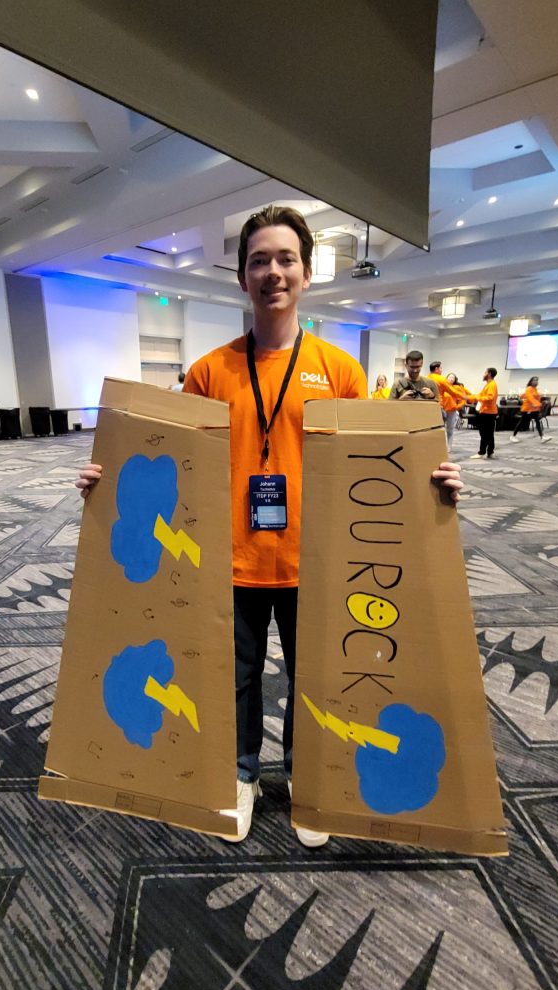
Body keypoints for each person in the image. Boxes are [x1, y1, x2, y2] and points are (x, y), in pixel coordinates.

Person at [75, 205, 463, 845]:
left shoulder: (340, 371)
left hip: (319, 560)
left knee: (320, 675)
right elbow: (172, 458)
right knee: (236, 676)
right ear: (241, 277)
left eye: (286, 260)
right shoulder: (209, 371)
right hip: (230, 558)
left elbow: (373, 468)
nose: (273, 272)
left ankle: (312, 780)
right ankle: (242, 773)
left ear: (307, 275)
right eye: (259, 260)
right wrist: (107, 480)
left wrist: (432, 487)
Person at [427, 362, 469, 450]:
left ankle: (446, 446)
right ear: (436, 369)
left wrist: (458, 406)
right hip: (440, 407)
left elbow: (461, 397)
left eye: (453, 377)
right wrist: (465, 396)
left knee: (444, 429)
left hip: (447, 409)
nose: (451, 378)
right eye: (441, 368)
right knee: (440, 429)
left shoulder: (427, 378)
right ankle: (439, 446)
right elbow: (453, 392)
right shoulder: (442, 380)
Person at [467, 367, 499, 459]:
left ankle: (483, 452)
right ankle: (489, 452)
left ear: (489, 374)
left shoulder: (491, 384)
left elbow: (490, 397)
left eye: (484, 372)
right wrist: (470, 397)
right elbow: (481, 395)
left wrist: (477, 398)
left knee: (486, 433)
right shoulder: (488, 384)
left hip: (488, 413)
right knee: (486, 433)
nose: (483, 374)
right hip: (486, 412)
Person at [511, 376, 550, 444]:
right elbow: (530, 398)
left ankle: (542, 437)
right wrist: (538, 404)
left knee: (537, 422)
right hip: (527, 409)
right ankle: (513, 436)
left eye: (537, 381)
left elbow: (525, 396)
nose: (536, 382)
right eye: (534, 380)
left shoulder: (535, 389)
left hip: (534, 409)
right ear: (531, 381)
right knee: (521, 422)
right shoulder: (529, 388)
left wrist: (537, 405)